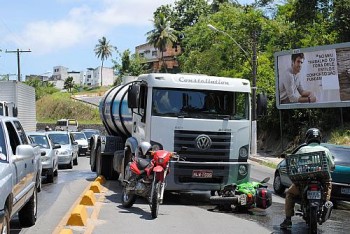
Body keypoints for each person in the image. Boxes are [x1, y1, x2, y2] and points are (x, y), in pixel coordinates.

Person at [280, 128, 335, 229]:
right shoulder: (325, 150)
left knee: (289, 194)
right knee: (328, 186)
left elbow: (294, 163)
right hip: (322, 180)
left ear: (308, 138)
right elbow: (332, 165)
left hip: (304, 181)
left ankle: (288, 219)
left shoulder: (301, 149)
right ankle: (326, 203)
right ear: (319, 138)